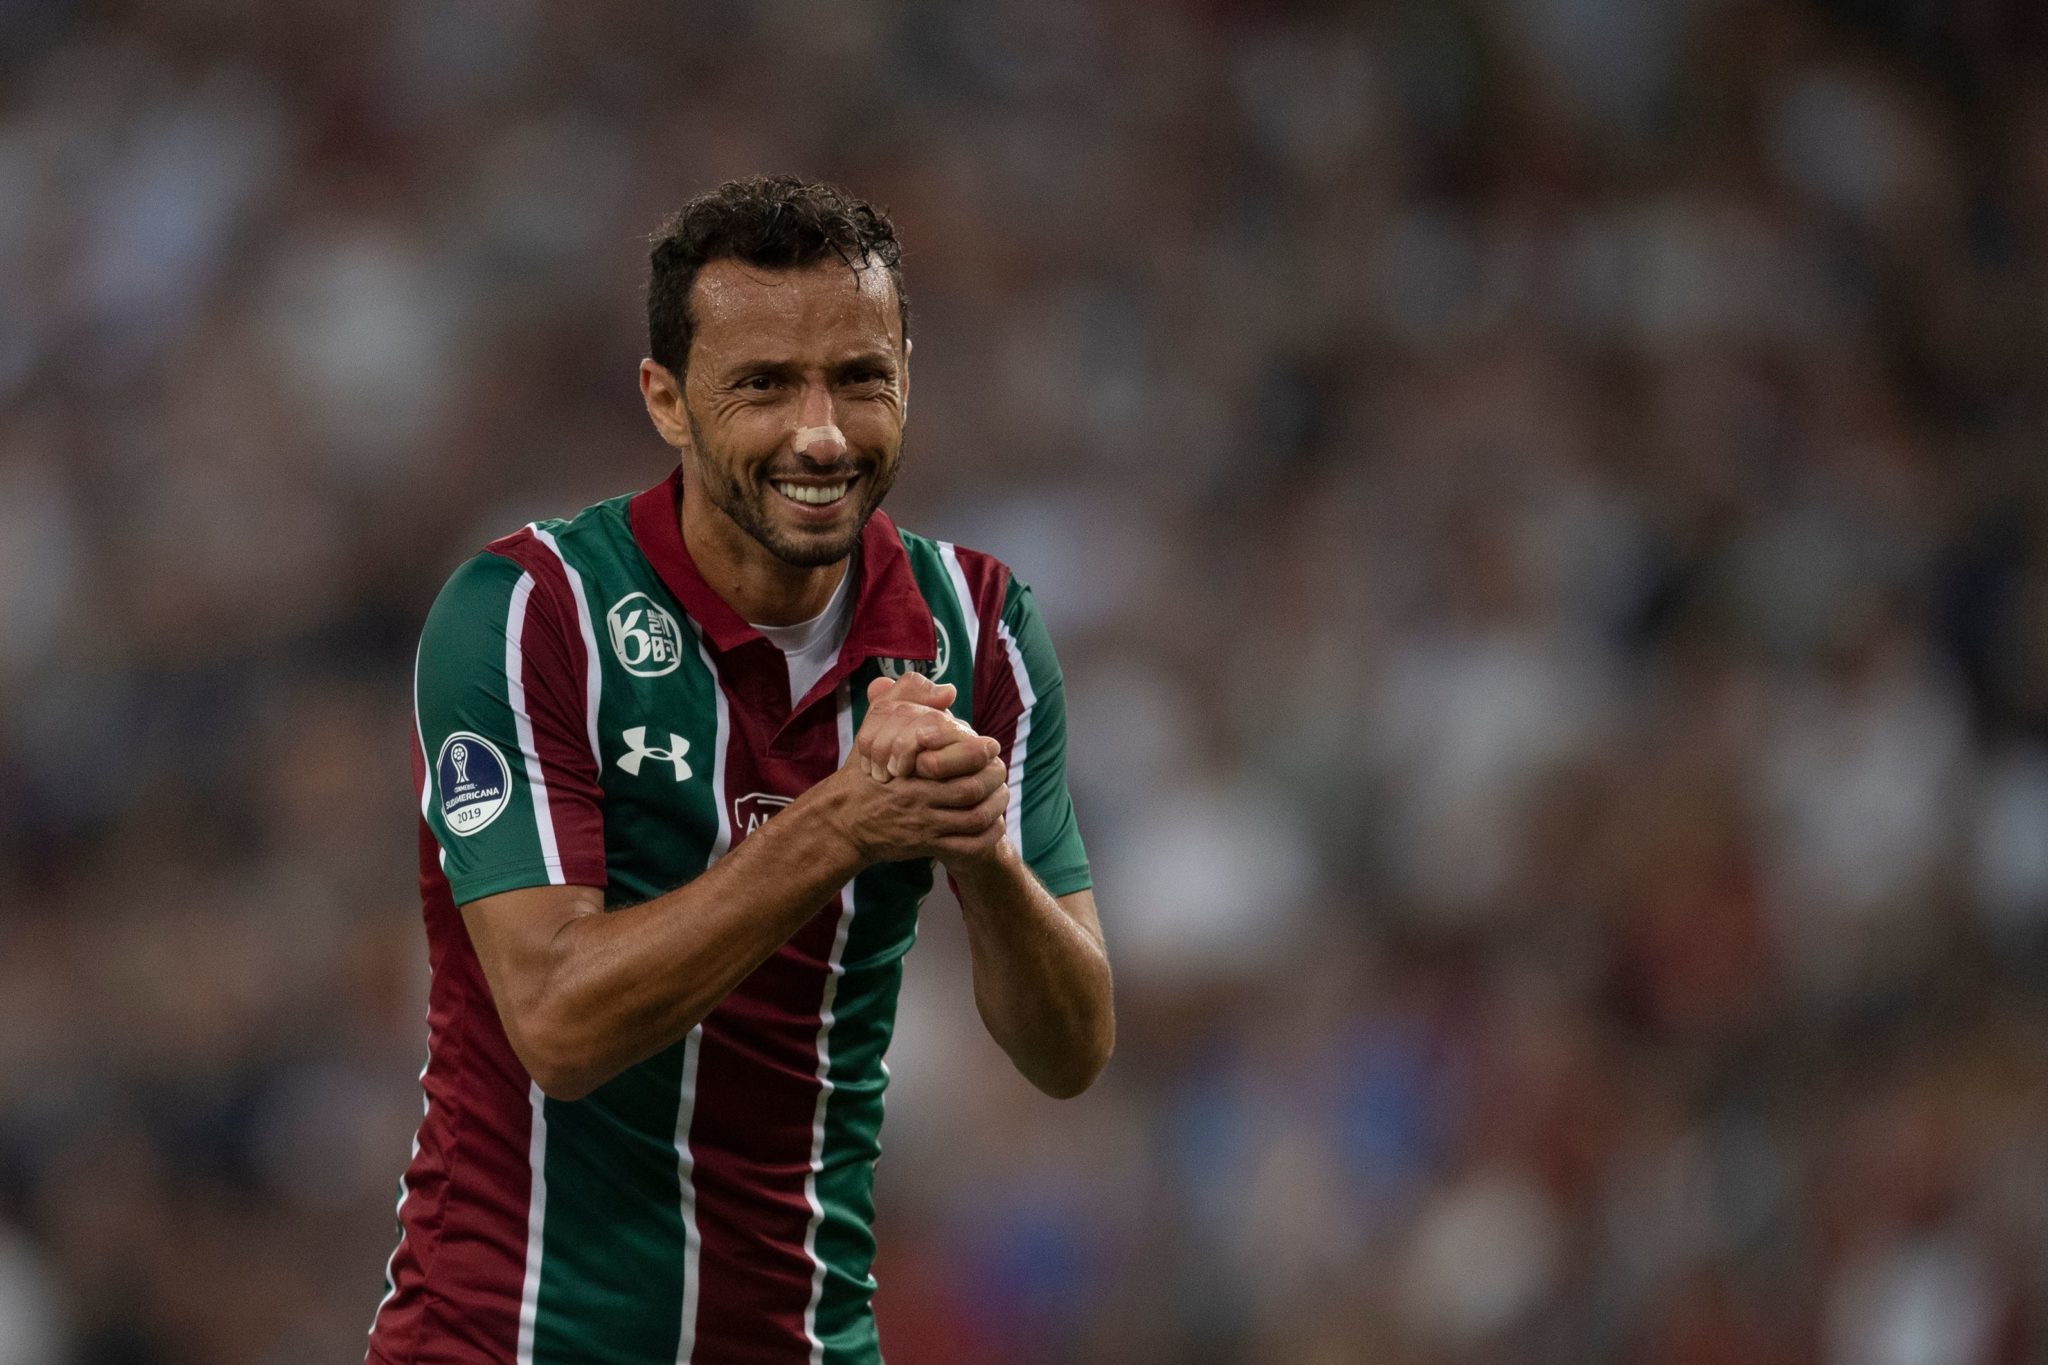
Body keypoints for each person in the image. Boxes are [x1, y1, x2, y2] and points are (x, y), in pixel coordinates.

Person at [365, 176, 1113, 1365]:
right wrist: (843, 826)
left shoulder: (980, 627)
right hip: (504, 1341)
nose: (819, 433)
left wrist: (987, 857)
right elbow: (556, 1026)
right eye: (762, 385)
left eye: (859, 379)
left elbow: (1068, 1052)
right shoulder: (528, 612)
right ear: (665, 399)